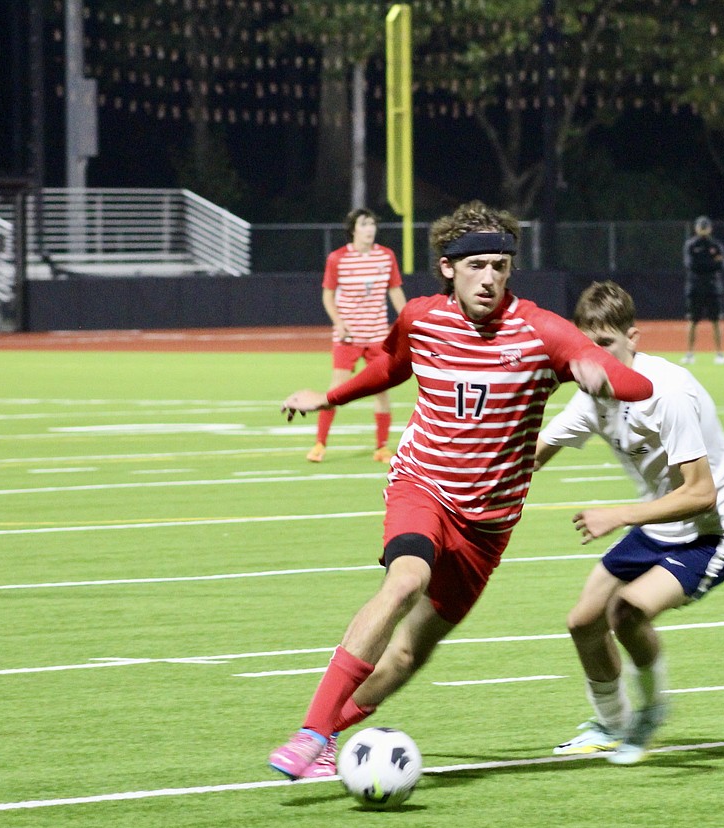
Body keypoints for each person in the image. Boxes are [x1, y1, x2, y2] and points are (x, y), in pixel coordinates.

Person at [268, 201, 654, 780]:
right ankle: (311, 731)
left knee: (404, 658)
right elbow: (391, 368)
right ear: (449, 267)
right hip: (421, 486)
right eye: (477, 265)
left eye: (500, 265)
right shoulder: (422, 318)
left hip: (487, 528)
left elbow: (636, 382)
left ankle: (330, 737)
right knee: (405, 580)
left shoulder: (542, 332)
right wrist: (329, 397)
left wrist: (605, 376)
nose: (490, 277)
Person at [534, 281, 724, 765]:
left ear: (633, 338)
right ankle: (609, 725)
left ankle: (652, 709)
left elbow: (701, 494)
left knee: (628, 613)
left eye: (608, 346)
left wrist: (617, 515)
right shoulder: (592, 397)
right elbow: (532, 457)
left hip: (713, 531)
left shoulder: (666, 393)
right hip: (658, 524)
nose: (598, 360)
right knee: (582, 622)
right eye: (588, 348)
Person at [308, 207, 408, 464]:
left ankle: (382, 447)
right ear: (353, 229)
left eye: (372, 224)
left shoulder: (386, 256)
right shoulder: (337, 258)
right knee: (336, 390)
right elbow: (328, 295)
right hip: (348, 337)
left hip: (377, 336)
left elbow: (395, 291)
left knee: (382, 390)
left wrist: (407, 319)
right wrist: (339, 323)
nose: (370, 228)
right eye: (364, 224)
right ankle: (320, 443)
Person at [683, 215, 724, 365]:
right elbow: (691, 265)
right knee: (693, 321)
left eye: (705, 226)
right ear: (696, 228)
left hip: (712, 287)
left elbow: (722, 264)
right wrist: (711, 263)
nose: (703, 230)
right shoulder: (691, 245)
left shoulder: (715, 245)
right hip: (695, 287)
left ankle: (720, 354)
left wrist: (706, 263)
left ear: (710, 228)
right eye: (700, 227)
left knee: (716, 321)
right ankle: (690, 354)